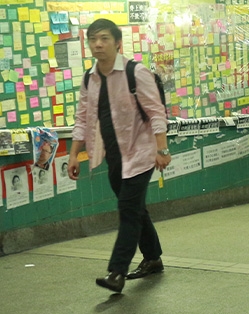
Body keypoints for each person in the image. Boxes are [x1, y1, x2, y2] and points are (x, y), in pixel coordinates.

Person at [69, 18, 170, 293]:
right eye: (92, 39)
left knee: (127, 209)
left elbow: (156, 112)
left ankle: (117, 272)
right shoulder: (89, 79)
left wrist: (162, 149)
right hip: (113, 155)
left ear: (117, 43)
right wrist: (74, 154)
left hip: (141, 152)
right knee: (134, 207)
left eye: (103, 38)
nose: (97, 44)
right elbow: (82, 119)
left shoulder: (135, 72)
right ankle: (153, 258)